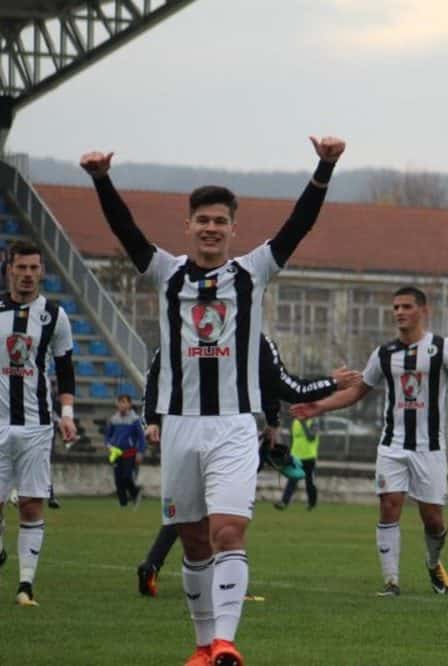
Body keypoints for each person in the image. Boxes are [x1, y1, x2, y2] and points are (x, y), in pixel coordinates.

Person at [80, 135, 345, 666]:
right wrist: (102, 181)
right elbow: (127, 233)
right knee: (193, 541)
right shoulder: (166, 273)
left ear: (232, 228)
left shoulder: (253, 272)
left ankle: (226, 641)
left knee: (228, 531)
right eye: (203, 219)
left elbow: (297, 226)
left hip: (233, 425)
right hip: (180, 426)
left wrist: (323, 169)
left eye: (220, 221)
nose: (211, 228)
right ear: (189, 225)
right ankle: (204, 646)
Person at [293, 286, 448, 597]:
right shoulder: (384, 354)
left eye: (406, 306)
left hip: (430, 447)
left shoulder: (442, 347)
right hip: (393, 444)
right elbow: (357, 391)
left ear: (423, 311)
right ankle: (391, 581)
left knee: (433, 520)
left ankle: (433, 562)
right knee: (389, 505)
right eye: (396, 307)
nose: (399, 312)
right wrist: (319, 406)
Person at [136, 333, 353, 597]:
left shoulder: (183, 330)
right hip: (230, 438)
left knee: (192, 512)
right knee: (222, 514)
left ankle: (155, 565)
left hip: (186, 435)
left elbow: (155, 376)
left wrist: (152, 420)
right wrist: (332, 382)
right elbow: (286, 387)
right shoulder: (251, 337)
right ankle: (228, 582)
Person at [0, 240, 77, 607]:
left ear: (42, 271)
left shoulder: (54, 315)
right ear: (9, 270)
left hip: (37, 425)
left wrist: (67, 415)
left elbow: (65, 369)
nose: (28, 275)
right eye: (22, 267)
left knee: (31, 504)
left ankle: (25, 585)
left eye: (34, 268)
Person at [105, 394, 146, 508]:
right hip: (116, 453)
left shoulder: (135, 419)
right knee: (118, 480)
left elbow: (141, 437)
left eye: (124, 402)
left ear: (129, 404)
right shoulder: (113, 419)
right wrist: (109, 446)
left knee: (126, 476)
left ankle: (135, 492)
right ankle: (123, 503)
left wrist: (140, 452)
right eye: (120, 402)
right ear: (117, 404)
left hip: (130, 452)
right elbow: (107, 436)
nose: (122, 404)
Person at [274, 416, 320, 511]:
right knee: (292, 480)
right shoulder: (295, 422)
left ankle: (312, 503)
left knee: (309, 482)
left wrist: (303, 423)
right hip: (296, 457)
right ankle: (284, 502)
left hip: (309, 457)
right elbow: (293, 439)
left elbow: (311, 437)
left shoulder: (313, 422)